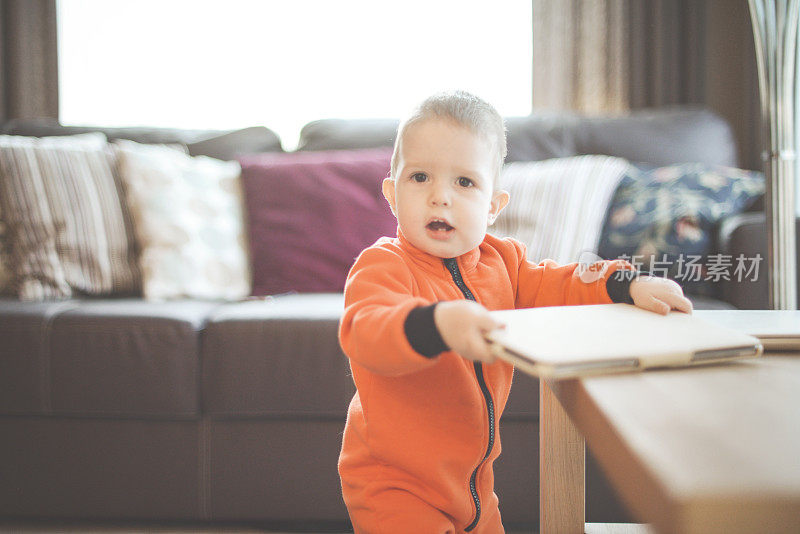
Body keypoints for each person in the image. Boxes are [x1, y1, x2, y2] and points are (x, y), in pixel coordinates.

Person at [337, 90, 693, 534]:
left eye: (464, 182)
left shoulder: (504, 263)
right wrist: (437, 323)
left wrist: (628, 283)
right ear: (392, 194)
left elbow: (563, 280)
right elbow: (366, 332)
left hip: (475, 489)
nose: (440, 197)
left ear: (493, 206)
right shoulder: (384, 265)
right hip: (394, 486)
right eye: (420, 177)